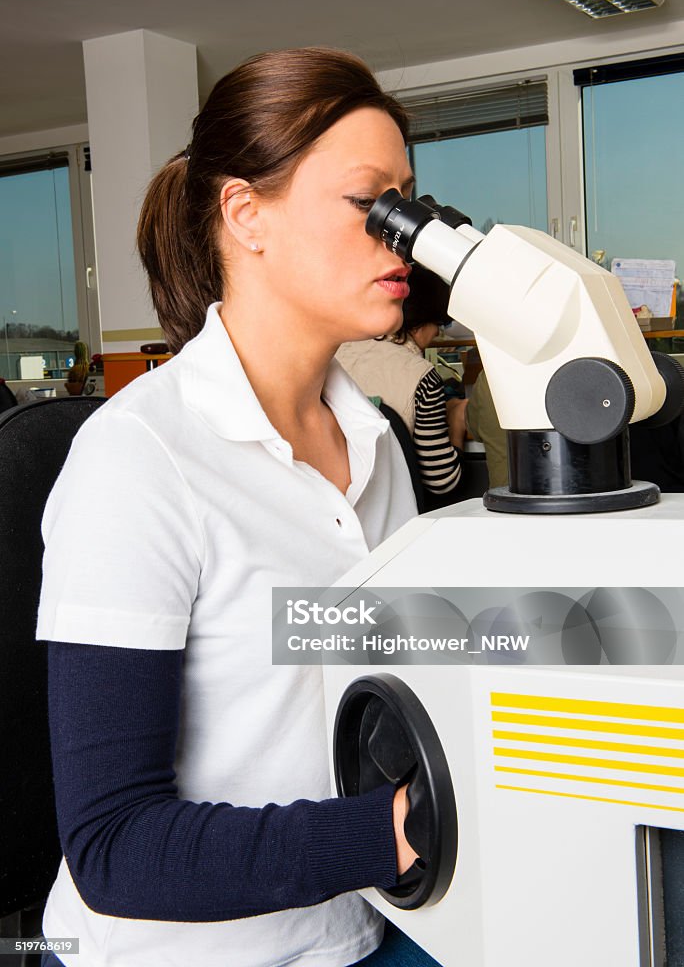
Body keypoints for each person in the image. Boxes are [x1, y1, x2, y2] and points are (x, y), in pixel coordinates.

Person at [35, 48, 443, 967]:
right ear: (244, 213)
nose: (407, 232)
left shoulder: (373, 442)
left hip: (359, 917)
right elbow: (114, 849)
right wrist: (397, 831)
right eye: (369, 199)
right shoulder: (139, 459)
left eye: (409, 198)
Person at [336, 265, 468, 501]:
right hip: (396, 511)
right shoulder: (423, 377)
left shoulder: (335, 352)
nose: (437, 334)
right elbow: (442, 481)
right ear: (422, 321)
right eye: (438, 324)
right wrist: (456, 422)